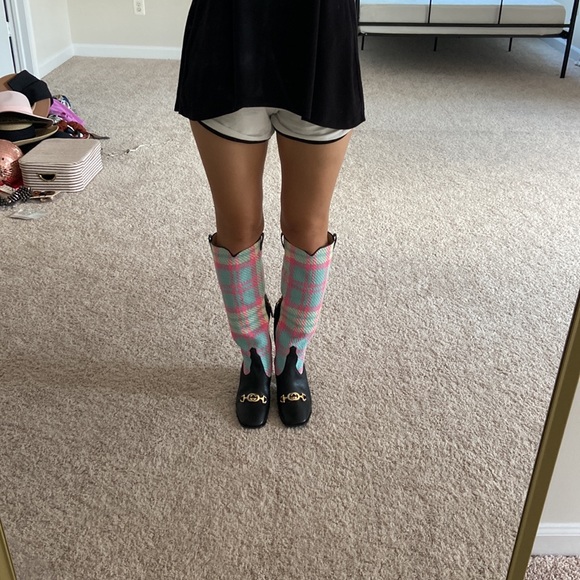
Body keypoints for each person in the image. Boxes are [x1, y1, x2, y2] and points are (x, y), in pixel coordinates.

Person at [175, 0, 365, 428]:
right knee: (237, 227)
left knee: (308, 228)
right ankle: (254, 357)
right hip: (228, 31)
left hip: (322, 31)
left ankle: (293, 354)